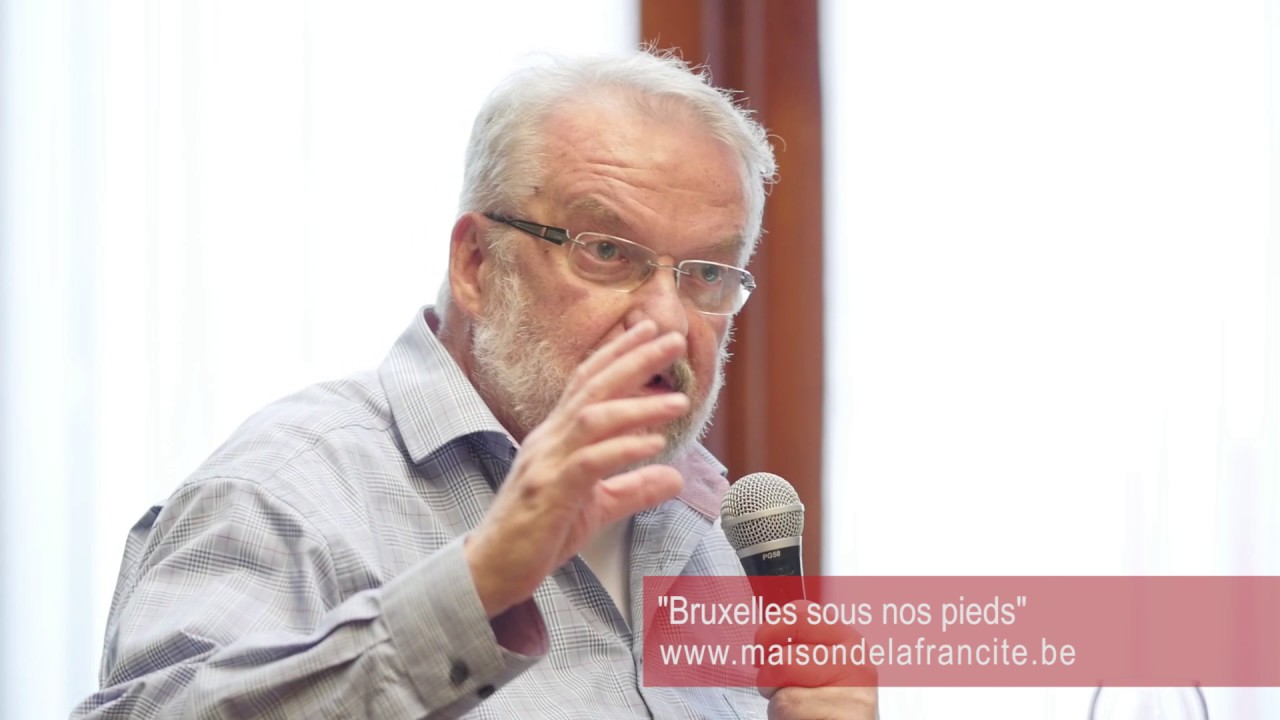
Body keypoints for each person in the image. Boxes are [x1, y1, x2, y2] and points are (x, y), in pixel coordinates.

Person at [73, 50, 877, 719]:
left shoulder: (705, 537)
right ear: (475, 265)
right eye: (605, 251)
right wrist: (480, 582)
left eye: (706, 272)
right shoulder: (288, 491)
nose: (668, 323)